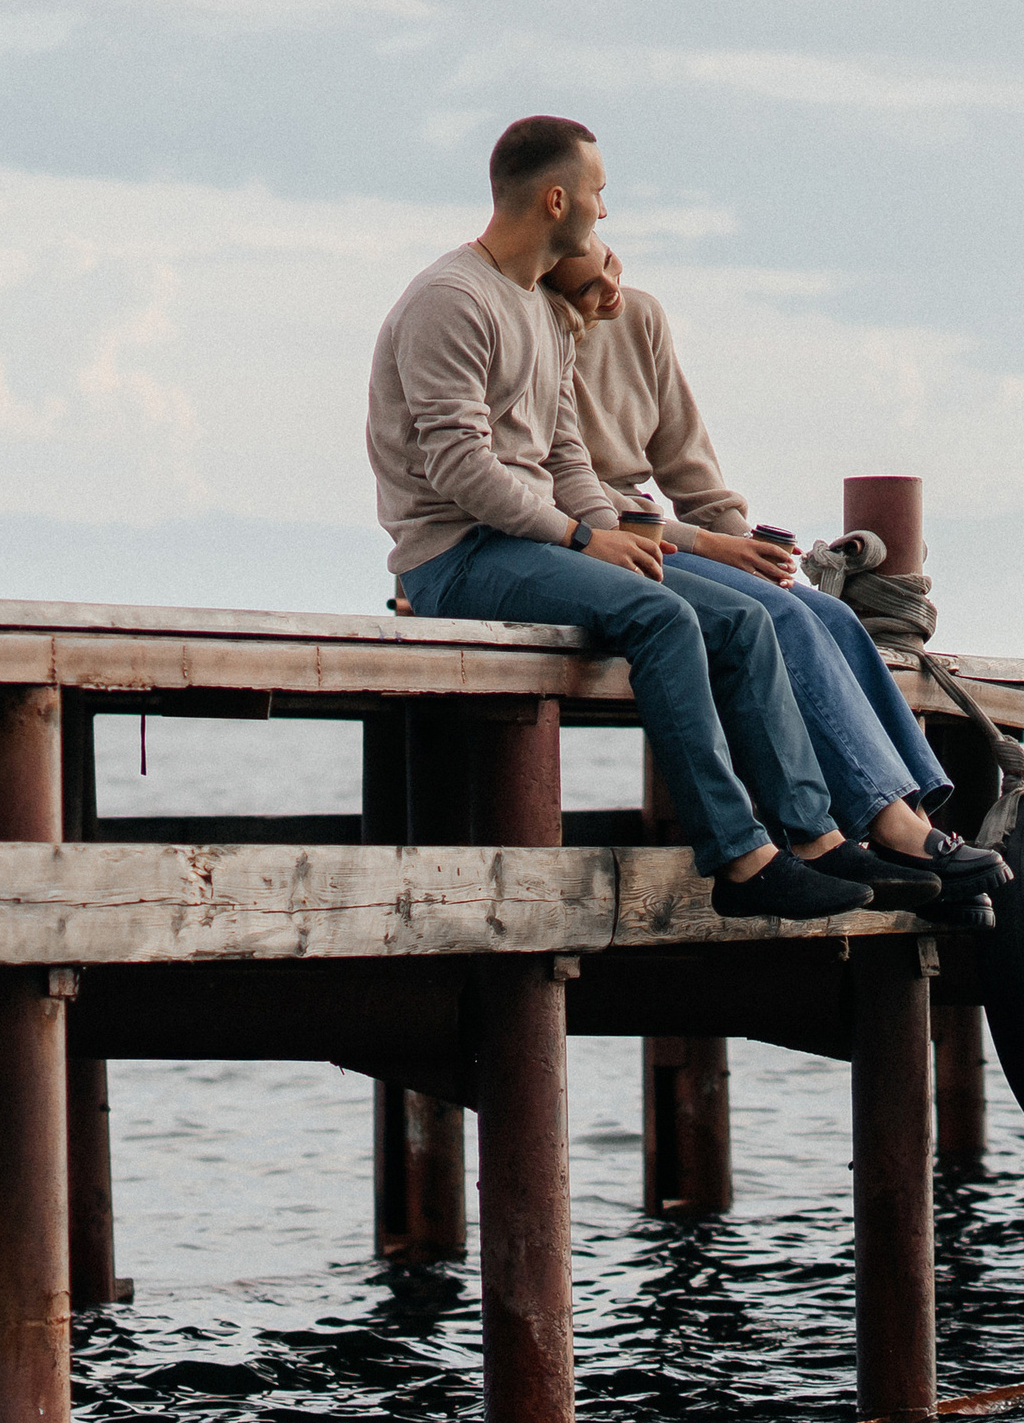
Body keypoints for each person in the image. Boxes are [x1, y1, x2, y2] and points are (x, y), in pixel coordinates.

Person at [367, 116, 930, 918]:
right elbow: (461, 468)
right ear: (557, 199)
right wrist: (583, 538)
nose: (604, 211)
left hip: (532, 546)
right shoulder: (451, 300)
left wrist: (622, 539)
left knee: (740, 619)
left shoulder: (537, 306)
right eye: (598, 195)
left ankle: (815, 838)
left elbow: (564, 457)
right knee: (663, 619)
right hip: (457, 556)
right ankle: (740, 858)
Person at [541, 238, 1009, 905]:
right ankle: (886, 826)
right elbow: (565, 489)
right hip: (607, 542)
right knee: (778, 618)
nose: (611, 295)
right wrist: (708, 546)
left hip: (671, 533)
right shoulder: (537, 335)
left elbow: (689, 467)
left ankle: (908, 829)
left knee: (834, 615)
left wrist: (744, 546)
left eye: (613, 269)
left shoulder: (638, 318)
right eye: (590, 285)